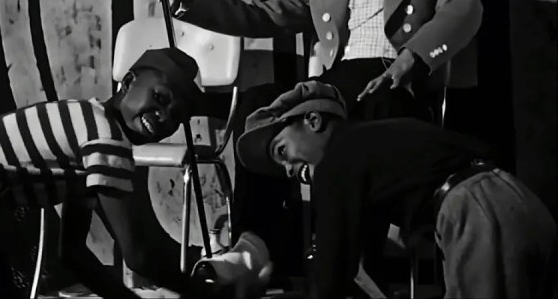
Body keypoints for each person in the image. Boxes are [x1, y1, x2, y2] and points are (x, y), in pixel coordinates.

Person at [149, 0, 483, 281]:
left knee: (366, 113)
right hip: (334, 89)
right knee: (258, 104)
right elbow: (259, 15)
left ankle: (348, 258)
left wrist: (411, 59)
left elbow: (464, 8)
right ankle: (252, 250)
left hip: (396, 90)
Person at [0, 48, 219, 299]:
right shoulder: (105, 137)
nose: (163, 115)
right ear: (128, 82)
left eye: (176, 116)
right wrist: (207, 293)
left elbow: (73, 256)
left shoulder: (87, 135)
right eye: (159, 98)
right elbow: (138, 256)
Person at [235, 79, 557, 299]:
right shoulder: (373, 144)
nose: (289, 169)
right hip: (518, 201)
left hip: (477, 213)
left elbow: (332, 271)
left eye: (282, 151)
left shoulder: (335, 160)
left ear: (313, 121)